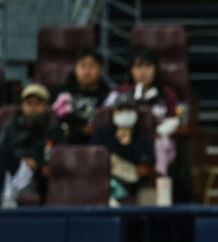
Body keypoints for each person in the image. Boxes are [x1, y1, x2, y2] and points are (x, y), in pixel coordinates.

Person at [106, 49, 181, 177]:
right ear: (131, 70)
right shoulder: (119, 93)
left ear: (156, 69)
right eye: (138, 67)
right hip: (126, 144)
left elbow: (176, 118)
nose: (143, 72)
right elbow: (105, 114)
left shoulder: (167, 94)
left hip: (154, 147)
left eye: (147, 66)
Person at [0, 84, 64, 206]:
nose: (33, 108)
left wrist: (37, 164)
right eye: (29, 103)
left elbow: (54, 161)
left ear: (47, 106)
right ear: (22, 106)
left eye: (38, 103)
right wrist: (22, 161)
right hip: (12, 169)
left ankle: (8, 196)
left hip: (36, 176)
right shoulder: (11, 126)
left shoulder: (54, 129)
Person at [90, 93, 155, 203]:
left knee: (150, 198)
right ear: (114, 113)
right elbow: (93, 160)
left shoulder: (143, 138)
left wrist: (129, 144)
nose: (125, 114)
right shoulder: (102, 134)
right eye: (121, 110)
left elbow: (146, 165)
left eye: (129, 111)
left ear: (136, 114)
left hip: (136, 186)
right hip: (105, 183)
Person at [51, 49, 111, 144]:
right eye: (83, 65)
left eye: (92, 66)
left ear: (101, 70)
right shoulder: (63, 93)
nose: (87, 71)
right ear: (75, 69)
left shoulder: (108, 96)